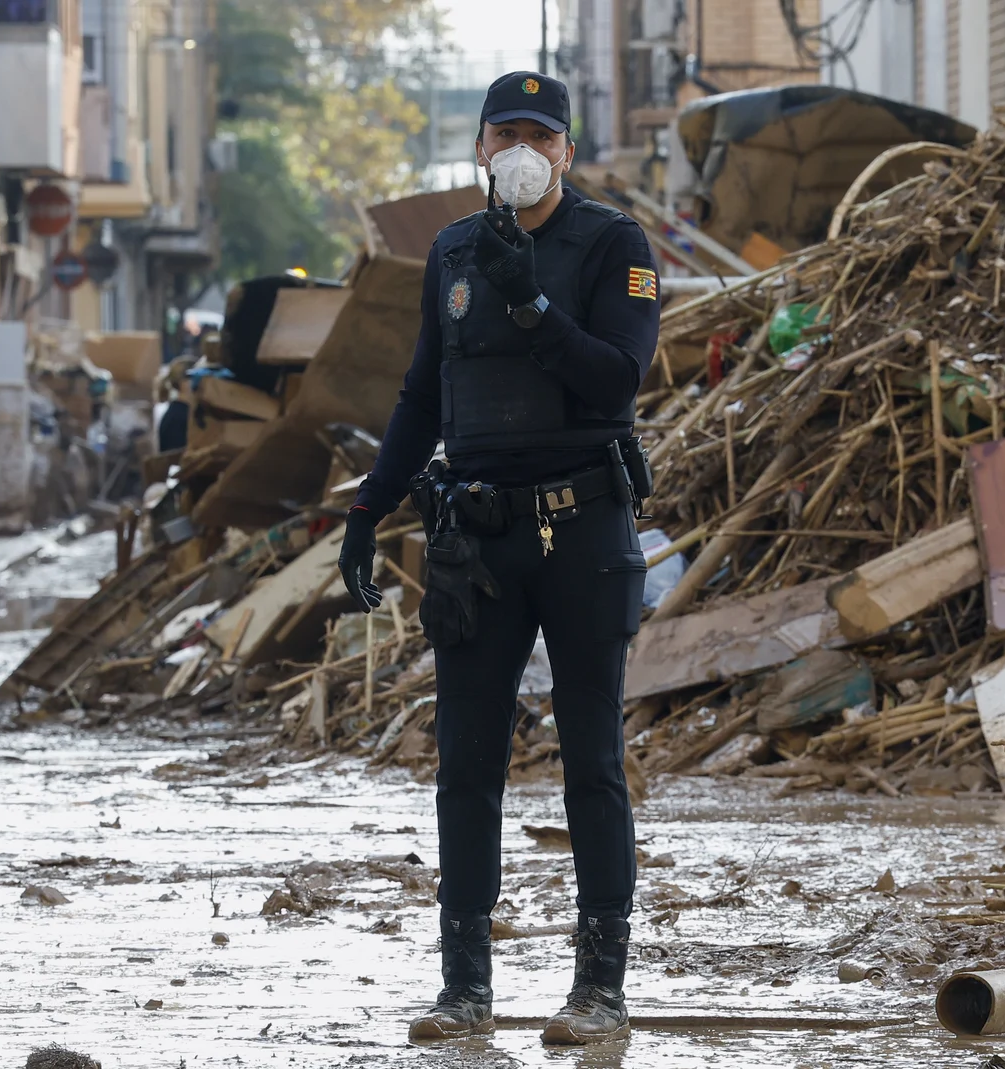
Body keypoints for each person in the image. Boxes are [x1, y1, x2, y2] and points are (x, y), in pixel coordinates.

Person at [335, 71, 660, 1046]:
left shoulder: (613, 245)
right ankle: (463, 986)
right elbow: (420, 396)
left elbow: (617, 376)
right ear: (480, 147)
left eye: (540, 135)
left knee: (590, 760)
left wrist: (533, 310)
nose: (520, 149)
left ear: (567, 150)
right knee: (465, 766)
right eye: (503, 132)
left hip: (582, 529)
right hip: (476, 538)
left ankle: (598, 988)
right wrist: (369, 506)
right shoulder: (451, 254)